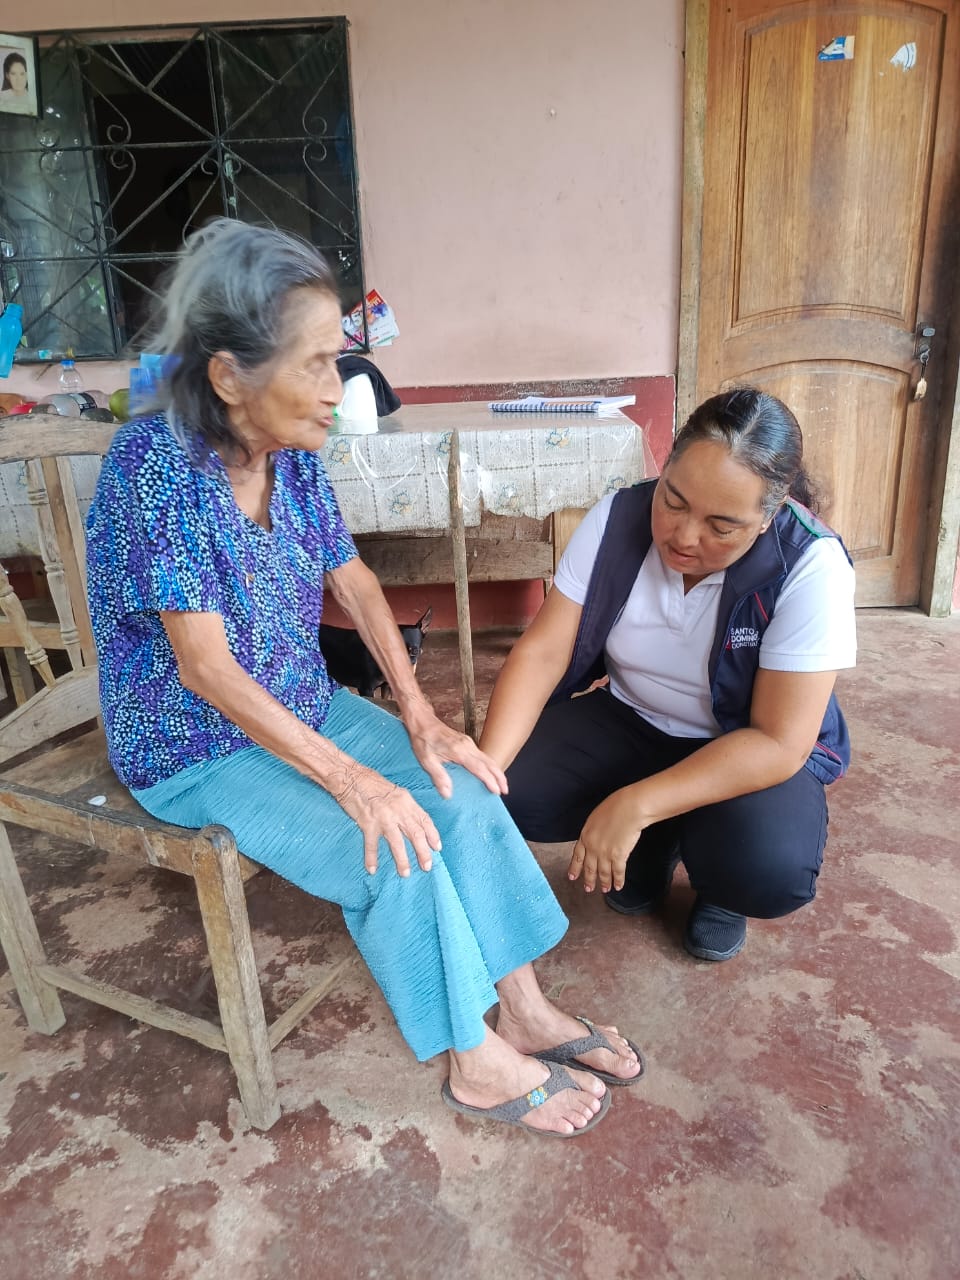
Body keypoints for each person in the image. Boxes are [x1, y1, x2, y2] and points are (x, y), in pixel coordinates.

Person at [85, 218, 642, 1139]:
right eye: (312, 363)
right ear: (228, 375)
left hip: (302, 705)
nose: (333, 387)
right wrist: (353, 782)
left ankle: (525, 1010)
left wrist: (419, 716)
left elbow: (354, 581)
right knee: (396, 838)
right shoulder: (156, 468)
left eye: (334, 358)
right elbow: (205, 668)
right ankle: (474, 1059)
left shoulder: (292, 454)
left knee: (457, 785)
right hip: (194, 745)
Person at [480, 389, 856, 962]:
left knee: (766, 865)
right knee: (511, 788)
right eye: (673, 500)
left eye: (721, 526)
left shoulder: (809, 563)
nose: (683, 536)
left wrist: (634, 804)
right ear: (666, 464)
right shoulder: (616, 519)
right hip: (632, 717)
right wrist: (484, 773)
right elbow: (543, 653)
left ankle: (718, 887)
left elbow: (780, 741)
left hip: (741, 744)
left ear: (768, 517)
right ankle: (655, 840)